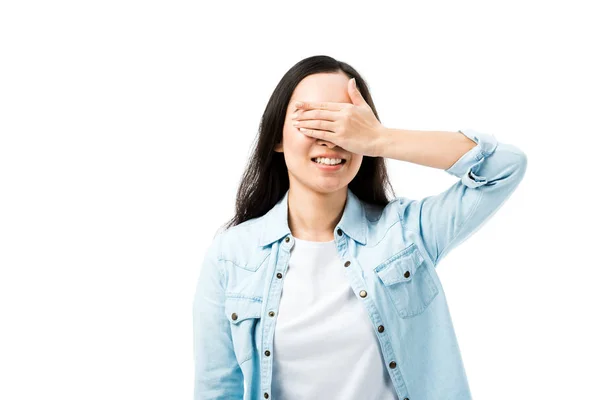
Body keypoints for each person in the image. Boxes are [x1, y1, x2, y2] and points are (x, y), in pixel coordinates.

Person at [193, 55, 527, 400]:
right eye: (313, 119)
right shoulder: (231, 256)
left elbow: (504, 167)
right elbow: (217, 389)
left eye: (345, 123)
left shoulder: (407, 234)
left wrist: (380, 140)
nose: (332, 137)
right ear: (277, 137)